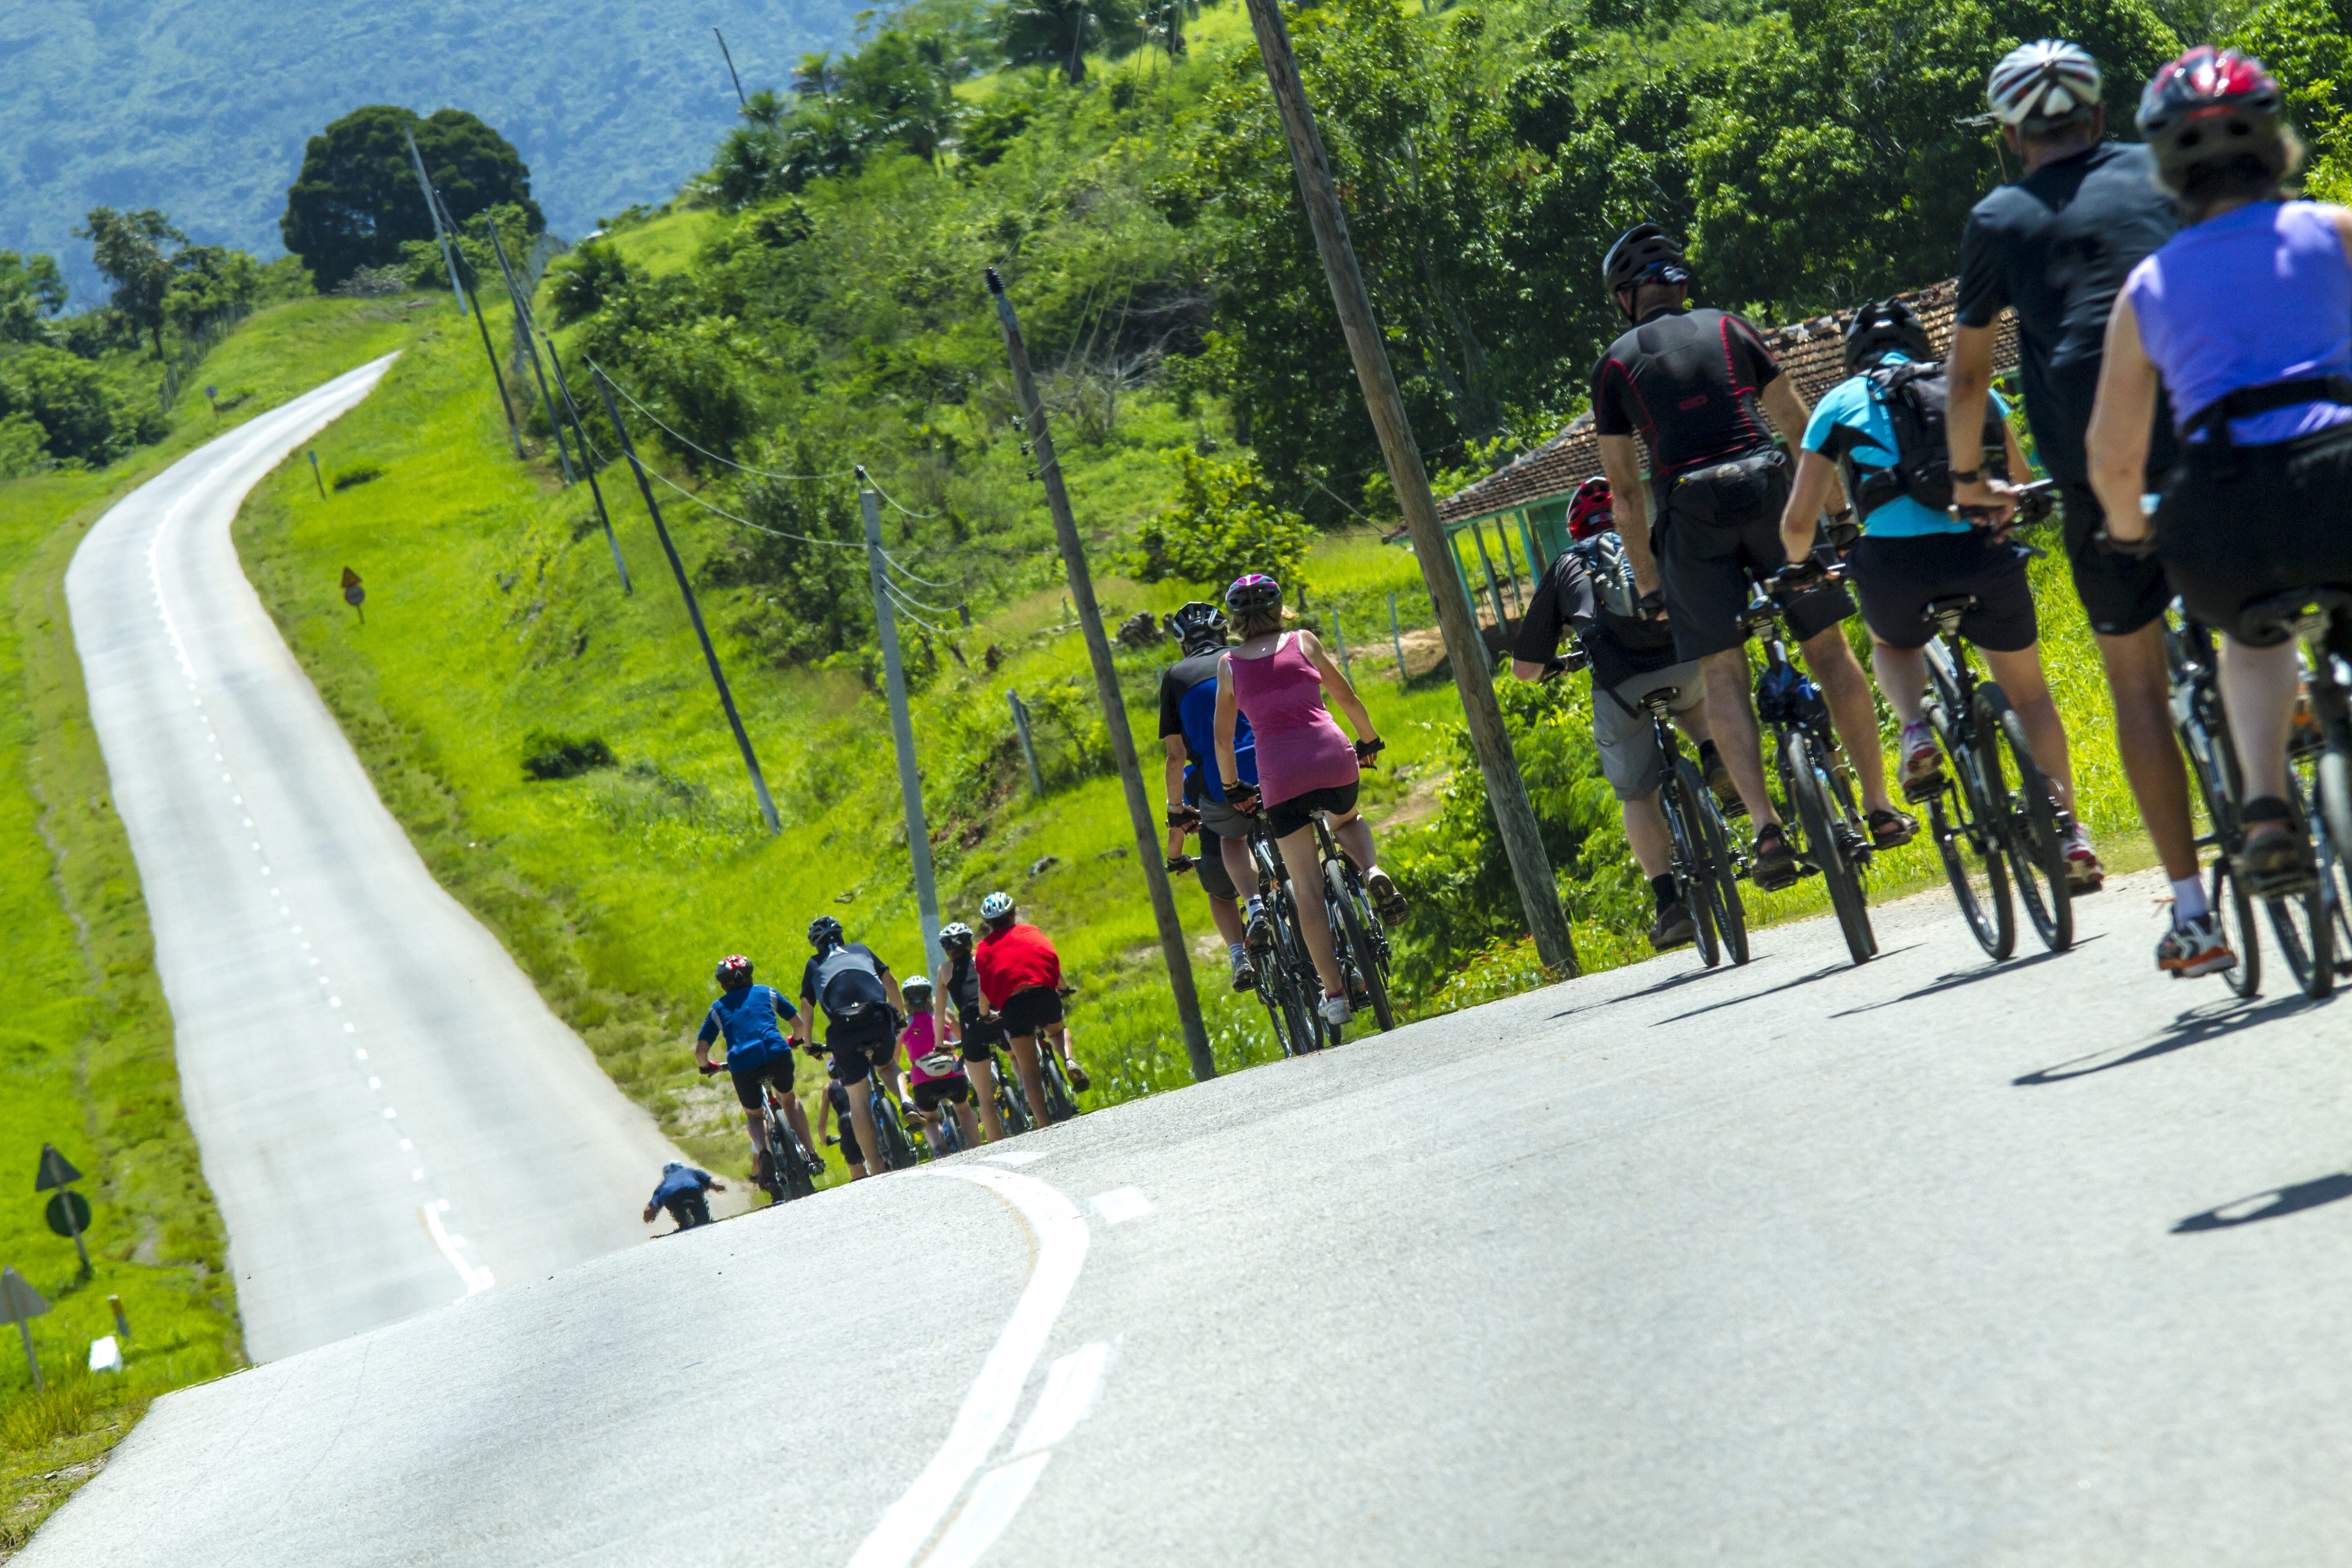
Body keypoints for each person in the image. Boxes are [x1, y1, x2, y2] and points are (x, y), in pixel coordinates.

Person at [1948, 39, 2209, 965]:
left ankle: (2192, 908)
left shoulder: (1999, 216)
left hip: (2100, 466)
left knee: (2134, 678)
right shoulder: (2161, 169)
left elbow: (1970, 369)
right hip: (2210, 425)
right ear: (2100, 115)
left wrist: (1968, 479)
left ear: (2013, 135)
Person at [2087, 47, 2352, 927]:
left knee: (2252, 634)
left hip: (2225, 515)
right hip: (2341, 477)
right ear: (2275, 144)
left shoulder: (2150, 286)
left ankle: (2269, 807)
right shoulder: (2336, 231)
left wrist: (2129, 535)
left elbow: (2115, 457)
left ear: (2169, 169)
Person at [1591, 224, 1915, 893]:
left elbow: (1625, 494)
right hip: (1768, 489)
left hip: (1691, 516)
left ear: (1627, 298)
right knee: (1828, 648)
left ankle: (1767, 827)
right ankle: (1880, 807)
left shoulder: (1615, 365)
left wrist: (1650, 588)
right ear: (1681, 286)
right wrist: (1838, 518)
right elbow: (1801, 428)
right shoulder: (1732, 328)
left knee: (1723, 671)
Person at [1776, 298, 2103, 890]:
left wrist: (1799, 568)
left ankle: (1916, 732)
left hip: (1896, 566)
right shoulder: (1963, 382)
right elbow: (2023, 482)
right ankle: (2073, 833)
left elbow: (1799, 524)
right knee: (2028, 695)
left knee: (1893, 645)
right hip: (1982, 553)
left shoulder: (1838, 402)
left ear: (1854, 356)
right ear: (1921, 346)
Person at [1509, 477, 1737, 950]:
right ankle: (1714, 756)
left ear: (1575, 529)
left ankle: (1669, 904)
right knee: (1693, 699)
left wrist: (1557, 664)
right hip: (1683, 659)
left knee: (1637, 795)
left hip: (1620, 683)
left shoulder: (1568, 564)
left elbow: (1524, 670)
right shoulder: (1650, 541)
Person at [1212, 573, 1403, 1028]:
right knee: (1347, 819)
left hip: (1280, 778)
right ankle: (1373, 869)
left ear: (1237, 619)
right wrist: (1370, 740)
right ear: (1279, 610)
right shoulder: (1305, 641)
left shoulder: (1229, 665)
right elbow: (1347, 697)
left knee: (1307, 888)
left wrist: (1233, 787)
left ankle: (1334, 995)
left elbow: (1222, 740)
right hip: (1331, 759)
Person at [1160, 601, 1260, 993]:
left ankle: (1238, 951)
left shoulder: (1176, 678)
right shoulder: (1242, 658)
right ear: (1224, 634)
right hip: (1271, 768)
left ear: (1184, 646)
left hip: (1218, 788)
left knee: (1220, 886)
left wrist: (1175, 812)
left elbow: (1175, 757)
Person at [691, 955, 818, 1196]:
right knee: (789, 1099)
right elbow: (799, 1025)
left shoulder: (718, 1008)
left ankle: (763, 1153)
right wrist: (796, 1040)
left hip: (742, 1064)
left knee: (754, 1114)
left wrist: (708, 1066)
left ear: (722, 985)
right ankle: (812, 1153)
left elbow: (701, 1051)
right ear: (750, 976)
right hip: (776, 1053)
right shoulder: (767, 992)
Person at [791, 916, 906, 1179]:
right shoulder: (861, 949)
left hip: (844, 1032)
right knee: (887, 1064)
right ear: (841, 937)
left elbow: (806, 1008)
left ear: (815, 945)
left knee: (858, 1100)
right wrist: (900, 1017)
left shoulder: (814, 964)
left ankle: (876, 1168)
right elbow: (892, 982)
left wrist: (809, 1044)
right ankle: (908, 1102)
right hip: (878, 1019)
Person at [973, 892, 1090, 1123]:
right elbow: (1051, 962)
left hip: (1014, 1007)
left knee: (1029, 1073)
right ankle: (1069, 1061)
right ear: (1013, 914)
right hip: (1043, 996)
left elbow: (984, 986)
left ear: (988, 924)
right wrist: (1064, 990)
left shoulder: (984, 949)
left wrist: (984, 1014)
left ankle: (1043, 1123)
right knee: (1056, 1031)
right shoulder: (1031, 932)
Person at [939, 921, 1013, 1142]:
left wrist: (938, 1043)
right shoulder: (982, 957)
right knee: (1017, 1056)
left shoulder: (944, 971)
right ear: (971, 944)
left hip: (971, 1028)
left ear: (947, 951)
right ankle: (1025, 1093)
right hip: (995, 1016)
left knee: (985, 1098)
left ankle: (995, 1143)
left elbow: (940, 1009)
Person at [897, 973, 981, 1152]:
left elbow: (894, 1059)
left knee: (930, 1119)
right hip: (952, 1071)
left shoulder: (903, 1024)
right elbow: (963, 1038)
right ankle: (976, 1145)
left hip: (923, 1078)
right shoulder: (944, 1014)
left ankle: (939, 1151)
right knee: (964, 1109)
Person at [643, 1161, 725, 1231]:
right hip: (693, 1190)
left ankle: (681, 1221)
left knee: (676, 1211)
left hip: (672, 1196)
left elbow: (652, 1207)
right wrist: (722, 1187)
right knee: (702, 1211)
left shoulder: (663, 1184)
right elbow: (714, 1182)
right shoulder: (692, 1171)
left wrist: (648, 1219)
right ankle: (705, 1218)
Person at [814, 1079, 872, 1179]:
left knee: (859, 1176)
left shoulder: (829, 1088)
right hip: (867, 1121)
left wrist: (824, 1140)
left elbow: (822, 1125)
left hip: (848, 1127)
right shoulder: (860, 1077)